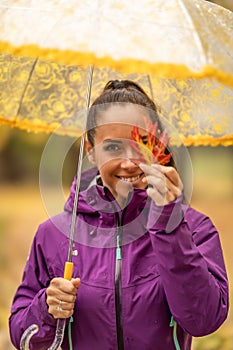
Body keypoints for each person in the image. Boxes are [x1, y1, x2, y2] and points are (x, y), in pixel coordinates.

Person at [9, 80, 229, 350]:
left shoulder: (194, 228)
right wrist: (46, 308)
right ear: (90, 152)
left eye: (142, 144)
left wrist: (168, 224)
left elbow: (204, 320)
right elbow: (21, 337)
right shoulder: (53, 234)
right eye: (113, 147)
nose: (129, 162)